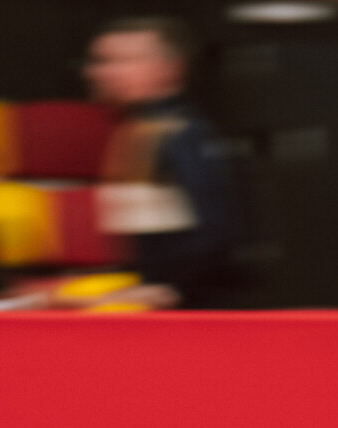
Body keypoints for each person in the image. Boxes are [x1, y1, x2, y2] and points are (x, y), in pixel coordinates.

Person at [84, 16, 244, 308]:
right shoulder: (135, 128)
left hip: (187, 311)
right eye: (100, 61)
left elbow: (219, 230)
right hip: (150, 301)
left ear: (169, 68)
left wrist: (176, 290)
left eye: (123, 61)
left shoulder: (182, 132)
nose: (100, 72)